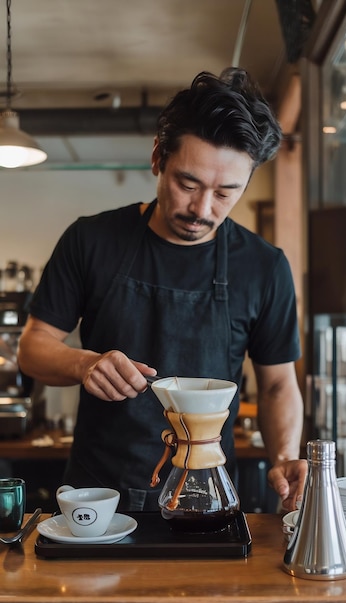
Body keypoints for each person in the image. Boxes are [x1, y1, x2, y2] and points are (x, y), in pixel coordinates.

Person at [18, 67, 307, 513]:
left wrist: (285, 457)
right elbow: (32, 348)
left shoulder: (265, 266)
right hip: (97, 497)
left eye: (225, 193)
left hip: (206, 495)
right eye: (187, 184)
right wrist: (84, 364)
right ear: (158, 158)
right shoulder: (91, 240)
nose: (202, 208)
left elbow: (276, 386)